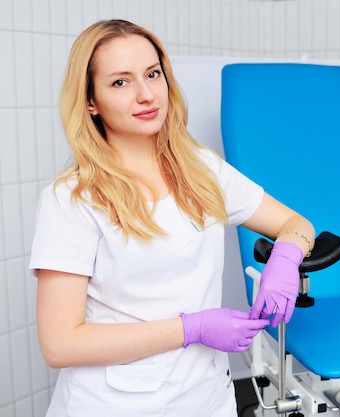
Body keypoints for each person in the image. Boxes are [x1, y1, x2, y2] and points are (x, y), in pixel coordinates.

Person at [28, 19, 315, 417]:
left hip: (206, 397)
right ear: (90, 101)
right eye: (120, 82)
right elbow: (60, 344)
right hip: (115, 405)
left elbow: (297, 224)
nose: (146, 95)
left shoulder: (201, 169)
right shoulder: (73, 199)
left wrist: (286, 258)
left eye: (152, 74)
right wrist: (191, 328)